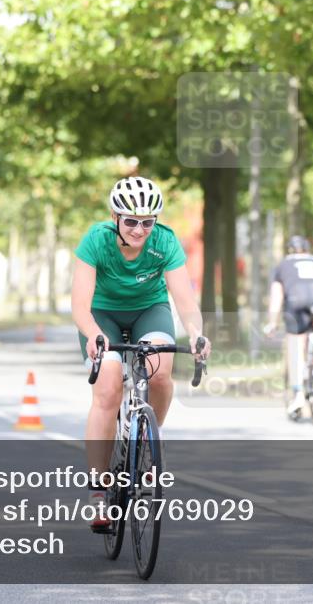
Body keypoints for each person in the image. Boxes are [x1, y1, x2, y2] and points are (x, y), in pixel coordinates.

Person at [71, 176, 211, 530]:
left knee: (160, 371)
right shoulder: (96, 240)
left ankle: (148, 439)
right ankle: (98, 491)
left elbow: (185, 301)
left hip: (149, 309)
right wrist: (94, 334)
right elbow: (80, 305)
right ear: (115, 217)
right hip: (101, 314)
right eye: (131, 221)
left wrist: (197, 333)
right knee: (108, 386)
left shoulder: (165, 241)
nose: (139, 230)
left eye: (147, 222)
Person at [263, 235, 313, 419]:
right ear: (307, 249)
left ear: (289, 250)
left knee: (295, 345)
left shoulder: (284, 265)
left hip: (297, 303)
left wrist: (272, 323)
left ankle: (298, 394)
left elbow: (277, 296)